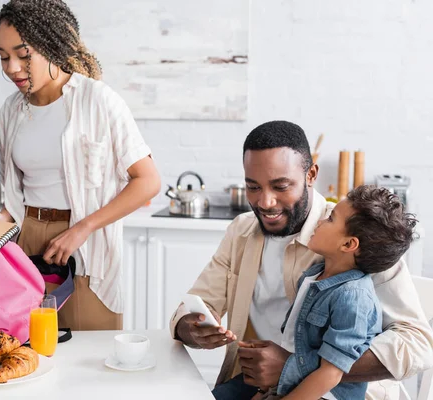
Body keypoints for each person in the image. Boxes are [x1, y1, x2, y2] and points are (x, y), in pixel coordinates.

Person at [170, 121, 433, 400]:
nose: (266, 202)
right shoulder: (241, 231)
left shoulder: (355, 235)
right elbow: (196, 306)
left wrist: (295, 366)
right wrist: (192, 329)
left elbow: (417, 344)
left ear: (311, 175)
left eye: (280, 186)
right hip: (256, 383)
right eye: (253, 187)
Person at [0, 0, 160, 331]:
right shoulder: (10, 112)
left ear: (51, 46)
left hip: (84, 248)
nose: (12, 67)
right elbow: (13, 201)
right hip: (26, 244)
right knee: (28, 357)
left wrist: (80, 230)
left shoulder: (98, 101)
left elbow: (148, 181)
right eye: (3, 56)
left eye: (23, 55)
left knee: (89, 363)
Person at [252, 185, 417, 399]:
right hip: (291, 384)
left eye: (330, 219)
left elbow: (331, 373)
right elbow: (295, 345)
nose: (320, 222)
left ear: (348, 244)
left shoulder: (353, 298)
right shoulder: (315, 275)